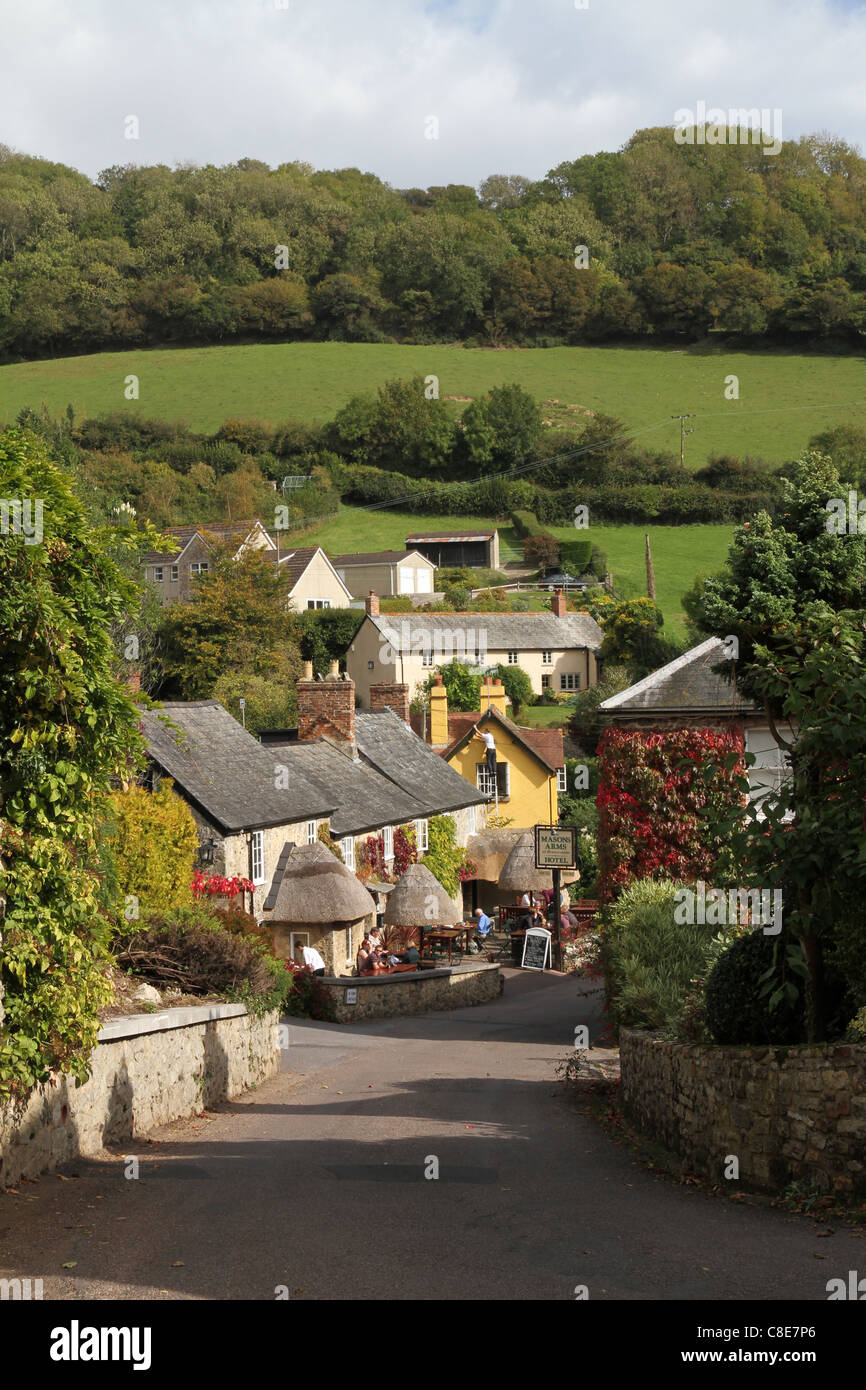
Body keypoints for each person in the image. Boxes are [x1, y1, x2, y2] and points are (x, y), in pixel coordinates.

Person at [473, 723, 497, 790]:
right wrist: (477, 736)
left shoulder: (487, 735)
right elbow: (483, 738)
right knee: (494, 761)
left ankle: (491, 771)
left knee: (488, 760)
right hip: (494, 750)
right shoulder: (490, 736)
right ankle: (494, 771)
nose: (484, 732)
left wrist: (475, 728)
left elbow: (480, 734)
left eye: (485, 731)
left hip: (489, 750)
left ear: (486, 731)